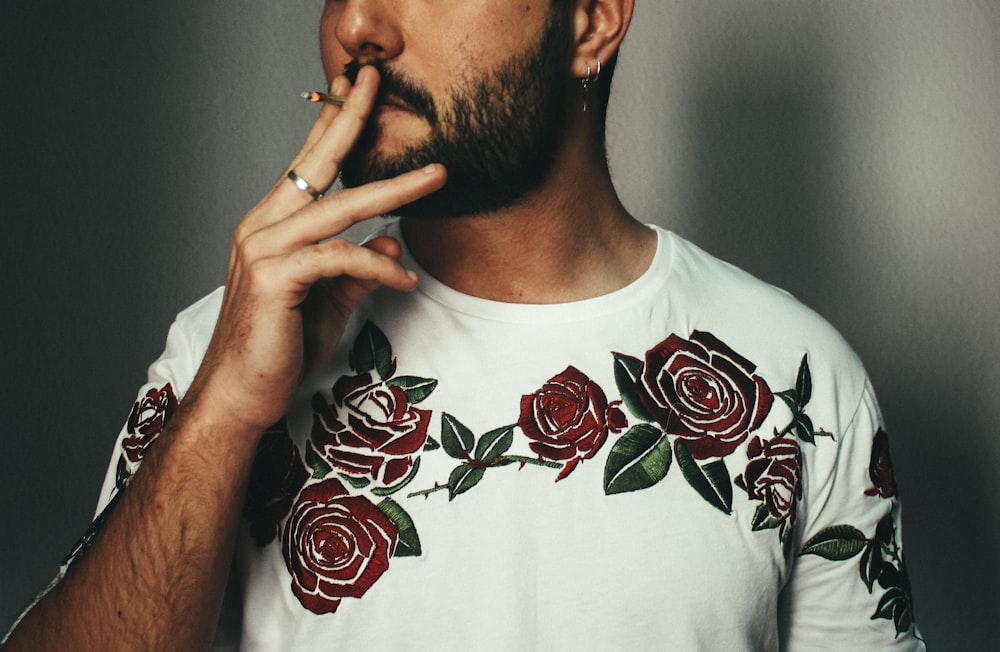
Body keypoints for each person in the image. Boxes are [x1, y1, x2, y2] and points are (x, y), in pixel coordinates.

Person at [3, 0, 925, 649]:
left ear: (594, 18)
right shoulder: (224, 352)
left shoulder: (799, 382)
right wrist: (221, 414)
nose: (355, 25)